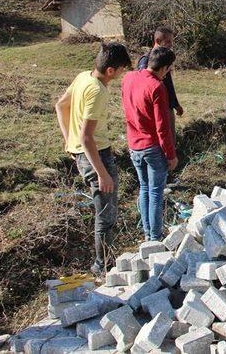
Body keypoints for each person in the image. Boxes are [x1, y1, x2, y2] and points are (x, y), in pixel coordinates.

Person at [55, 42, 131, 275]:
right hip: (96, 155)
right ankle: (103, 266)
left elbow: (60, 106)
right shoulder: (97, 90)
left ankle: (105, 261)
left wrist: (70, 142)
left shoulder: (82, 77)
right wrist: (102, 173)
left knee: (104, 212)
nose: (121, 75)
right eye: (121, 71)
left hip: (84, 153)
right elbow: (87, 137)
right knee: (106, 215)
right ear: (111, 70)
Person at [122, 47, 178, 242]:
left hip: (133, 143)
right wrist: (171, 155)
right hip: (152, 146)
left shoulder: (128, 78)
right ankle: (155, 237)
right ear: (164, 68)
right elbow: (162, 127)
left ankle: (147, 234)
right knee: (155, 192)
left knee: (144, 188)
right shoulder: (156, 87)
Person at [137, 27, 183, 143]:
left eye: (172, 41)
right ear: (157, 41)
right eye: (168, 42)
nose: (171, 45)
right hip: (153, 107)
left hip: (167, 106)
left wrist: (175, 104)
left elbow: (168, 84)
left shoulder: (165, 58)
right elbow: (143, 84)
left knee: (170, 139)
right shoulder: (145, 60)